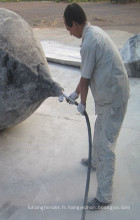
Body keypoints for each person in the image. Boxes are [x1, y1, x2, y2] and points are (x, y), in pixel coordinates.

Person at [63, 3, 130, 210]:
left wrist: (82, 103)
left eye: (68, 28)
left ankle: (104, 196)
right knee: (100, 132)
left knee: (105, 144)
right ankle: (94, 162)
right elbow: (87, 72)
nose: (69, 32)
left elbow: (85, 77)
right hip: (110, 94)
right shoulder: (93, 34)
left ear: (75, 23)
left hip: (113, 98)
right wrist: (76, 93)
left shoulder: (89, 43)